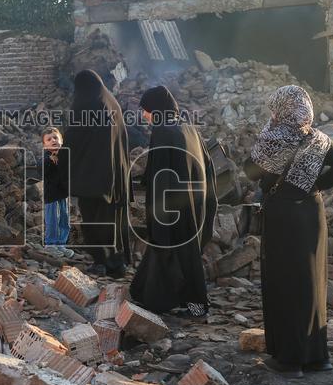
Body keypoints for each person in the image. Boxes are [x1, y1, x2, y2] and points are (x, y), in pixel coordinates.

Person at [244, 85, 333, 378]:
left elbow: (249, 172)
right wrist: (314, 184)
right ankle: (318, 357)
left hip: (283, 215)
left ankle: (290, 360)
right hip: (311, 212)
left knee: (285, 281)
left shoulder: (275, 138)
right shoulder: (319, 139)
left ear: (281, 109)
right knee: (311, 280)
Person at [129, 86, 218, 317]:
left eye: (146, 110)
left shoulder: (164, 132)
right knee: (171, 255)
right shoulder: (188, 127)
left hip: (174, 208)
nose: (144, 116)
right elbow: (208, 168)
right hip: (193, 203)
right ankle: (148, 295)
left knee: (183, 258)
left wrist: (158, 214)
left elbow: (161, 176)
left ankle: (197, 307)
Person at [64, 70, 133, 278]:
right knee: (111, 217)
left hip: (92, 175)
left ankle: (102, 262)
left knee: (93, 219)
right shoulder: (111, 102)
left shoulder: (86, 103)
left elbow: (73, 139)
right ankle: (116, 262)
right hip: (115, 173)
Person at [41, 127, 74, 258]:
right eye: (49, 139)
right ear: (44, 146)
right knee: (53, 219)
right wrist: (49, 159)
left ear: (61, 141)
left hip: (63, 194)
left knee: (64, 219)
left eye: (55, 138)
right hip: (51, 195)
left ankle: (61, 243)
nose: (53, 140)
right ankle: (50, 244)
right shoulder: (46, 158)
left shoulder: (65, 155)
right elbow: (41, 168)